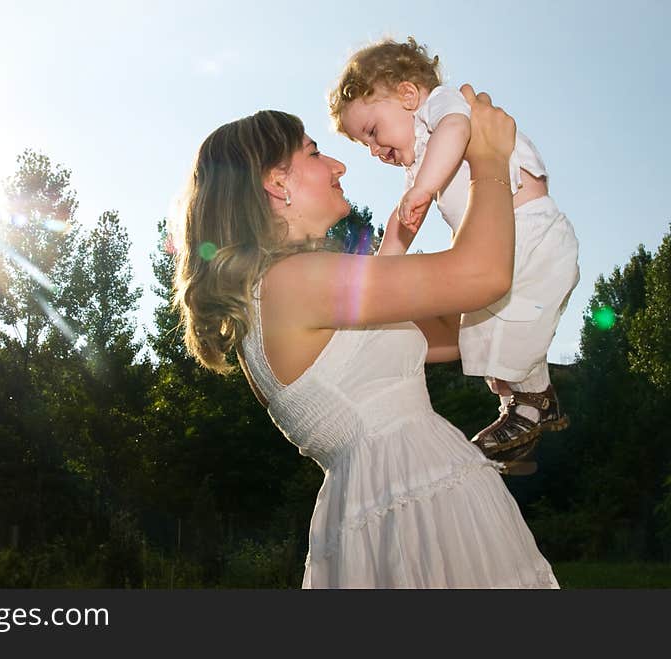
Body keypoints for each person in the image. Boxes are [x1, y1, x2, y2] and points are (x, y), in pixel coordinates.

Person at [171, 85, 559, 588]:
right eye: (313, 153)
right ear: (276, 183)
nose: (339, 166)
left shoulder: (279, 292)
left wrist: (400, 238)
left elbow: (452, 338)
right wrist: (488, 159)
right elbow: (482, 275)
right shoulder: (291, 282)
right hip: (415, 505)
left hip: (392, 497)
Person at [329, 38, 580, 473]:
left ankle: (531, 407)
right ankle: (524, 416)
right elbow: (405, 214)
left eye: (372, 131)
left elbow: (457, 132)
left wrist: (424, 189)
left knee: (505, 338)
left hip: (533, 235)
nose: (374, 150)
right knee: (482, 336)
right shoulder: (420, 160)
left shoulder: (441, 110)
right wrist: (386, 260)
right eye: (363, 145)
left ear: (408, 95)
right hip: (507, 246)